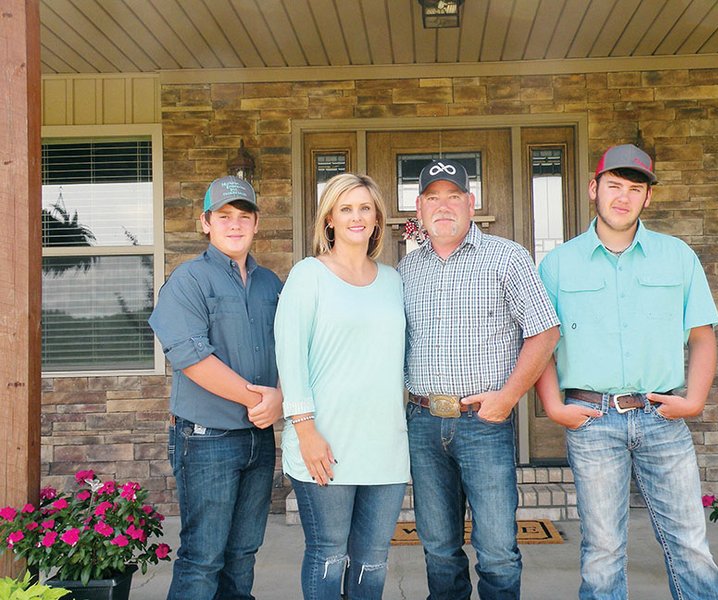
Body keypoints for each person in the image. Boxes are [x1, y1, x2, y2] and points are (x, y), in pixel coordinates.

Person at [534, 144, 718, 600]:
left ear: (647, 198)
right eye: (614, 185)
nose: (622, 197)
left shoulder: (676, 256)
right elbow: (542, 344)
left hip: (662, 415)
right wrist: (554, 407)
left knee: (691, 546)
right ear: (593, 189)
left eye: (634, 188)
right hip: (592, 419)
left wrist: (695, 400)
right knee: (602, 551)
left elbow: (702, 336)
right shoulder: (558, 264)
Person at [398, 159, 561, 599]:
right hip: (425, 421)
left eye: (454, 196)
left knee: (496, 550)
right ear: (419, 208)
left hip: (484, 422)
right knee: (438, 548)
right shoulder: (406, 271)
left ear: (471, 204)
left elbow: (545, 332)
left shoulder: (508, 258)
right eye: (433, 197)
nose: (444, 205)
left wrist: (507, 398)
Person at [275, 173, 410, 599]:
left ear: (376, 220)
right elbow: (290, 354)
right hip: (324, 443)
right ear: (329, 219)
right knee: (329, 557)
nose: (357, 216)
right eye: (346, 208)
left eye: (365, 208)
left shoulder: (393, 280)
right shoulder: (308, 275)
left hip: (385, 446)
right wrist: (305, 429)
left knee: (372, 562)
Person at [149, 176, 283, 600]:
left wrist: (279, 397)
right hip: (207, 439)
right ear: (205, 222)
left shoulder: (272, 285)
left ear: (257, 223)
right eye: (224, 216)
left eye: (244, 216)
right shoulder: (188, 280)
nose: (235, 224)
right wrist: (261, 400)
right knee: (203, 558)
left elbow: (292, 348)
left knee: (243, 554)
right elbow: (191, 358)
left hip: (257, 440)